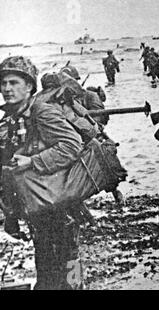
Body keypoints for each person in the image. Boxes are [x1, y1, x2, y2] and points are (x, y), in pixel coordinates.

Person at [0, 56, 84, 290]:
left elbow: (71, 145)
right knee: (46, 273)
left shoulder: (43, 112)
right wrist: (11, 215)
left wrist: (32, 161)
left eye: (14, 82)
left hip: (60, 205)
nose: (7, 88)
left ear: (29, 86)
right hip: (37, 208)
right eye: (3, 83)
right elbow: (8, 171)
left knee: (69, 267)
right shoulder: (10, 118)